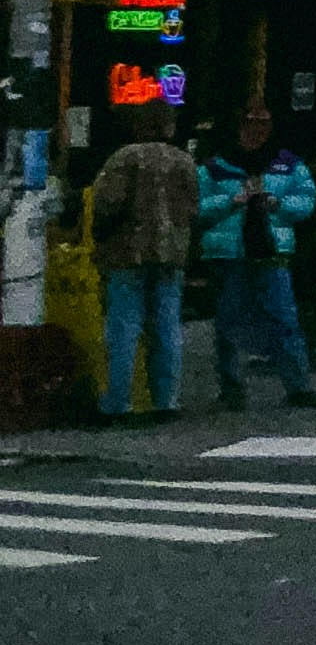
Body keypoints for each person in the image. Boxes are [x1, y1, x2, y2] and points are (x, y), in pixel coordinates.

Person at [198, 102, 316, 409]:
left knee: (284, 320)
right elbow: (197, 209)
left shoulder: (287, 163)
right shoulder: (214, 167)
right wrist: (231, 202)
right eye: (251, 121)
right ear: (238, 125)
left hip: (271, 252)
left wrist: (277, 205)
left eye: (264, 122)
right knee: (228, 323)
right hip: (229, 254)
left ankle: (298, 387)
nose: (257, 129)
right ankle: (231, 391)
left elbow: (306, 200)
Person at [87, 105, 197, 422]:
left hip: (128, 252)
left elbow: (107, 202)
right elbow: (192, 208)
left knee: (124, 325)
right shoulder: (183, 161)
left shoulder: (124, 158)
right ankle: (166, 400)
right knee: (167, 325)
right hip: (171, 253)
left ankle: (118, 403)